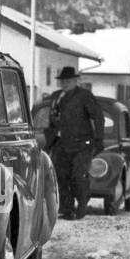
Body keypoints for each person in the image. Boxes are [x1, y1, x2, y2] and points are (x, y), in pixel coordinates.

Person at [45, 67, 104, 219]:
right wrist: (50, 139)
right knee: (61, 176)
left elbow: (98, 116)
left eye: (68, 81)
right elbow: (52, 119)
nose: (65, 84)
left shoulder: (84, 95)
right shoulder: (55, 96)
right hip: (61, 143)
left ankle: (82, 205)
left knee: (78, 176)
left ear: (75, 81)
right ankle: (66, 209)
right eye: (63, 81)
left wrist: (99, 138)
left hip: (81, 143)